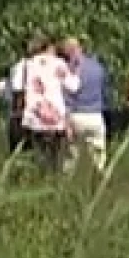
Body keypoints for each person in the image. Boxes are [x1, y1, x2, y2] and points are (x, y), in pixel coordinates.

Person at [16, 34, 79, 172]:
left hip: (34, 116)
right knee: (55, 156)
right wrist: (74, 68)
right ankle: (52, 181)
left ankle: (39, 179)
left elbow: (18, 87)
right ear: (49, 47)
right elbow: (73, 86)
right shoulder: (58, 64)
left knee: (38, 154)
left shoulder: (27, 64)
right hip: (55, 117)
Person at [61, 37, 111, 173]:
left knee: (70, 156)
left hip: (75, 114)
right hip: (95, 115)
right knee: (99, 156)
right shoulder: (98, 67)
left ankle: (64, 184)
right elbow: (105, 91)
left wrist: (66, 121)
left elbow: (66, 97)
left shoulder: (67, 69)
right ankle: (100, 181)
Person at [0, 39, 33, 155]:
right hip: (21, 116)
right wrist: (19, 114)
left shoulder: (35, 65)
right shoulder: (20, 67)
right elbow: (18, 91)